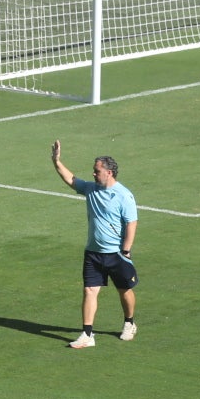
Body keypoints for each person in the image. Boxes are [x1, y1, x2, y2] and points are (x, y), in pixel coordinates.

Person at [51, 143, 139, 348]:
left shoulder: (123, 195)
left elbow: (131, 223)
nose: (93, 174)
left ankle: (129, 323)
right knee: (90, 290)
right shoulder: (91, 189)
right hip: (93, 252)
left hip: (116, 253)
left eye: (97, 171)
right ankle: (87, 335)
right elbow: (70, 179)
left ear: (109, 172)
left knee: (124, 289)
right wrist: (56, 162)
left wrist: (125, 250)